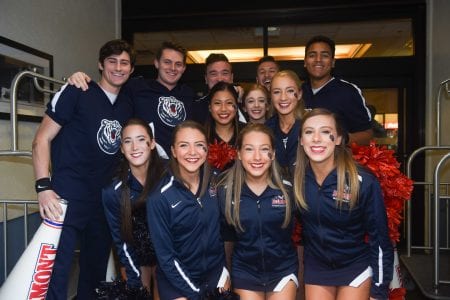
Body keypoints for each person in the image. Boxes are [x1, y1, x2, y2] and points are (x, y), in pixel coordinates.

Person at [32, 39, 135, 299]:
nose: (118, 68)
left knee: (94, 273)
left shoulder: (127, 106)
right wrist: (43, 187)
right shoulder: (78, 91)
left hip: (103, 200)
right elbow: (41, 139)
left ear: (131, 69)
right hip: (66, 197)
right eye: (112, 61)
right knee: (56, 270)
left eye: (124, 63)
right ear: (101, 65)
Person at [293, 108, 393, 300]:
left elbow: (380, 241)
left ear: (338, 138)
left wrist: (379, 292)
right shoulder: (296, 180)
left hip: (355, 267)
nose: (316, 139)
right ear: (301, 140)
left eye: (325, 131)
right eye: (308, 132)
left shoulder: (362, 181)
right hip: (317, 267)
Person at [67, 41, 195, 158]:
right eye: (167, 62)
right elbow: (110, 83)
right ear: (156, 63)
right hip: (147, 166)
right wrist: (80, 77)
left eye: (178, 64)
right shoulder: (135, 87)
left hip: (181, 165)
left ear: (184, 68)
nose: (172, 68)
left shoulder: (190, 95)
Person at [147, 120, 231, 300]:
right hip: (176, 280)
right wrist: (197, 294)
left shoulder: (217, 182)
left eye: (199, 145)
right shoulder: (159, 196)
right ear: (173, 151)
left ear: (207, 150)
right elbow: (167, 259)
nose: (192, 152)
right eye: (184, 145)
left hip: (214, 273)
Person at [217, 123, 298, 299]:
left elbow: (305, 234)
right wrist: (225, 274)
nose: (257, 157)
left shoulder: (289, 190)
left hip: (283, 270)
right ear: (238, 153)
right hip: (245, 272)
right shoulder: (224, 191)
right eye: (249, 149)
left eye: (264, 149)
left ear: (273, 154)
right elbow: (223, 239)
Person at [101, 118, 165, 298]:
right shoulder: (113, 192)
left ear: (152, 144)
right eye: (128, 141)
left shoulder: (169, 178)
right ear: (122, 148)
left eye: (141, 139)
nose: (134, 147)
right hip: (136, 253)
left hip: (167, 252)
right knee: (138, 292)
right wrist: (135, 283)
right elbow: (121, 243)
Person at [302, 35, 373, 145]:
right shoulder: (298, 92)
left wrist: (343, 138)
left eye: (324, 55)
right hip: (302, 160)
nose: (318, 60)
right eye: (312, 55)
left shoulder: (347, 92)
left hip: (339, 160)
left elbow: (368, 135)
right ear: (305, 62)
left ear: (333, 62)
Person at [265, 70, 304, 180]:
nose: (283, 98)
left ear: (299, 94)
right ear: (271, 96)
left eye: (290, 91)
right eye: (277, 92)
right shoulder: (266, 130)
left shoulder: (311, 125)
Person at [191, 53, 246, 124]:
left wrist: (239, 102)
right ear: (206, 79)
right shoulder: (196, 108)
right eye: (213, 74)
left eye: (225, 73)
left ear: (232, 77)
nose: (219, 79)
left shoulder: (245, 102)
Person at [205, 81, 245, 172]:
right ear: (210, 107)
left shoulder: (248, 133)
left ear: (236, 107)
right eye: (217, 103)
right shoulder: (200, 136)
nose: (223, 109)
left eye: (229, 103)